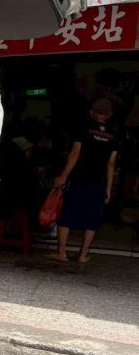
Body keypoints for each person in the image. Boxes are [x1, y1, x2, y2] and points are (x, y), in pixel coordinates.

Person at [49, 98, 119, 263]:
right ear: (109, 115)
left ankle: (62, 252)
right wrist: (108, 188)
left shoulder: (83, 128)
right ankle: (83, 254)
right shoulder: (114, 135)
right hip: (98, 182)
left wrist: (63, 176)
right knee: (92, 219)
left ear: (91, 112)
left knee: (66, 214)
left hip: (78, 179)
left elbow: (75, 154)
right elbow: (111, 164)